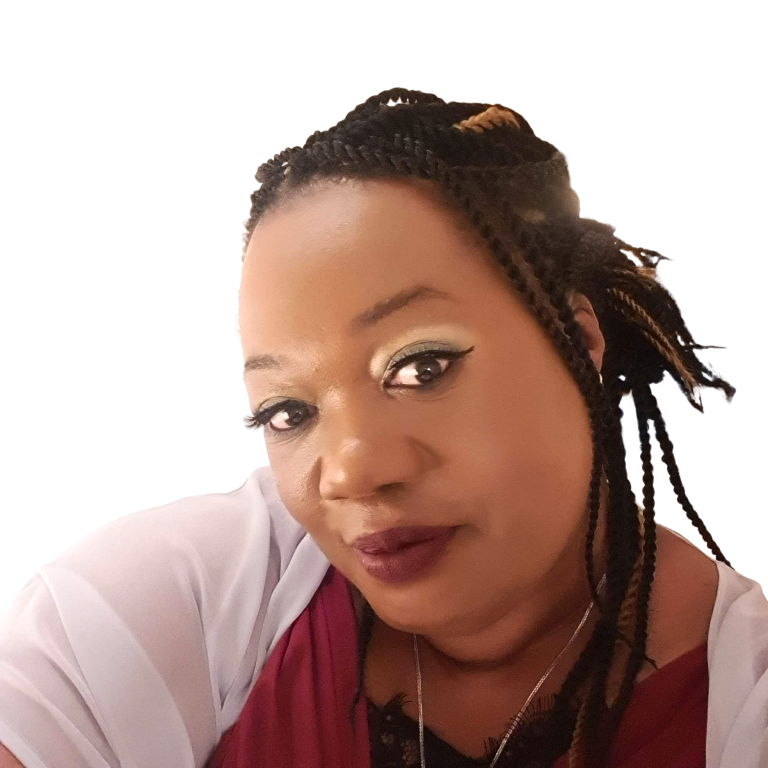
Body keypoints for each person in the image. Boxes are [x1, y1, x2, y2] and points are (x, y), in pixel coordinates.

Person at [1, 89, 764, 768]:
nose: (352, 472)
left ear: (578, 342)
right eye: (288, 412)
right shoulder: (177, 602)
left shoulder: (746, 699)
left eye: (421, 367)